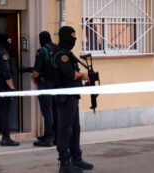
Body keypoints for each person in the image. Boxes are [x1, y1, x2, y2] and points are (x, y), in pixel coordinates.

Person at [53, 26, 94, 173]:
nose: (74, 38)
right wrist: (82, 75)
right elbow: (69, 73)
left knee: (75, 128)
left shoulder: (67, 53)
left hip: (72, 96)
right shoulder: (60, 54)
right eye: (72, 35)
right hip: (65, 97)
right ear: (65, 36)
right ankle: (64, 162)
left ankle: (76, 158)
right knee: (65, 129)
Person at [0, 33, 20, 147]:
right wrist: (12, 88)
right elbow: (6, 73)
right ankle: (6, 138)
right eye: (9, 41)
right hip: (1, 85)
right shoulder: (3, 53)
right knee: (4, 111)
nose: (10, 43)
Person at [31, 31, 58, 147]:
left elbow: (36, 72)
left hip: (45, 84)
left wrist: (33, 76)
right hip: (57, 85)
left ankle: (48, 137)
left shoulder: (41, 51)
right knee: (55, 110)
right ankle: (55, 136)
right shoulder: (57, 48)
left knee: (47, 111)